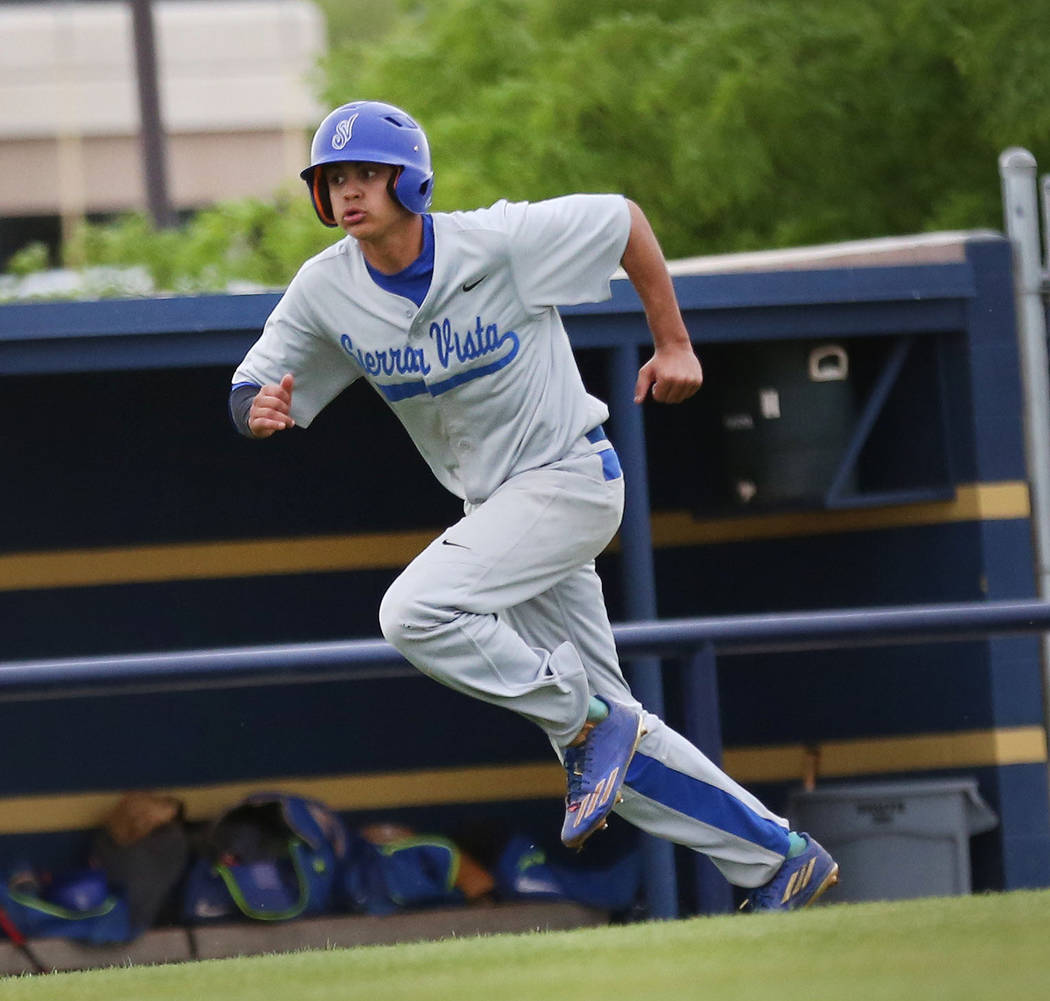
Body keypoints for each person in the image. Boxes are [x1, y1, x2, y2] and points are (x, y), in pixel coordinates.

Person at [229, 100, 838, 911]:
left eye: (367, 173)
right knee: (621, 744)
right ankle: (776, 860)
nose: (349, 192)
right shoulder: (326, 288)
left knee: (413, 611)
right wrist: (255, 410)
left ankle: (582, 725)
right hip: (502, 512)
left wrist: (674, 342)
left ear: (410, 180)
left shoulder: (498, 241)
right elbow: (251, 378)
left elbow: (624, 222)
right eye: (334, 178)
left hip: (570, 477)